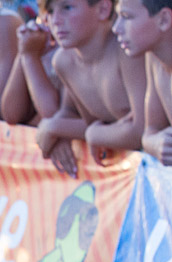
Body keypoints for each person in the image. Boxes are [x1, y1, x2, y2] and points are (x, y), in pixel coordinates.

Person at [35, 0, 146, 178]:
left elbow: (141, 131)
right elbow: (91, 120)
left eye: (67, 8)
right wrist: (54, 128)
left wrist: (92, 134)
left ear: (103, 9)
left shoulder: (127, 51)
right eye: (50, 11)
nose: (55, 20)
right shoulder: (64, 62)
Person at [112, 0, 172, 165]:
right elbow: (149, 133)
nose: (116, 28)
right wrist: (157, 144)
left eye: (126, 17)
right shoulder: (154, 58)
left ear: (164, 19)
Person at [1, 14, 61, 125]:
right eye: (49, 11)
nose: (53, 19)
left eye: (67, 7)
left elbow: (54, 117)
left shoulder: (70, 53)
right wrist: (24, 51)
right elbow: (11, 115)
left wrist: (30, 56)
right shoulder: (40, 44)